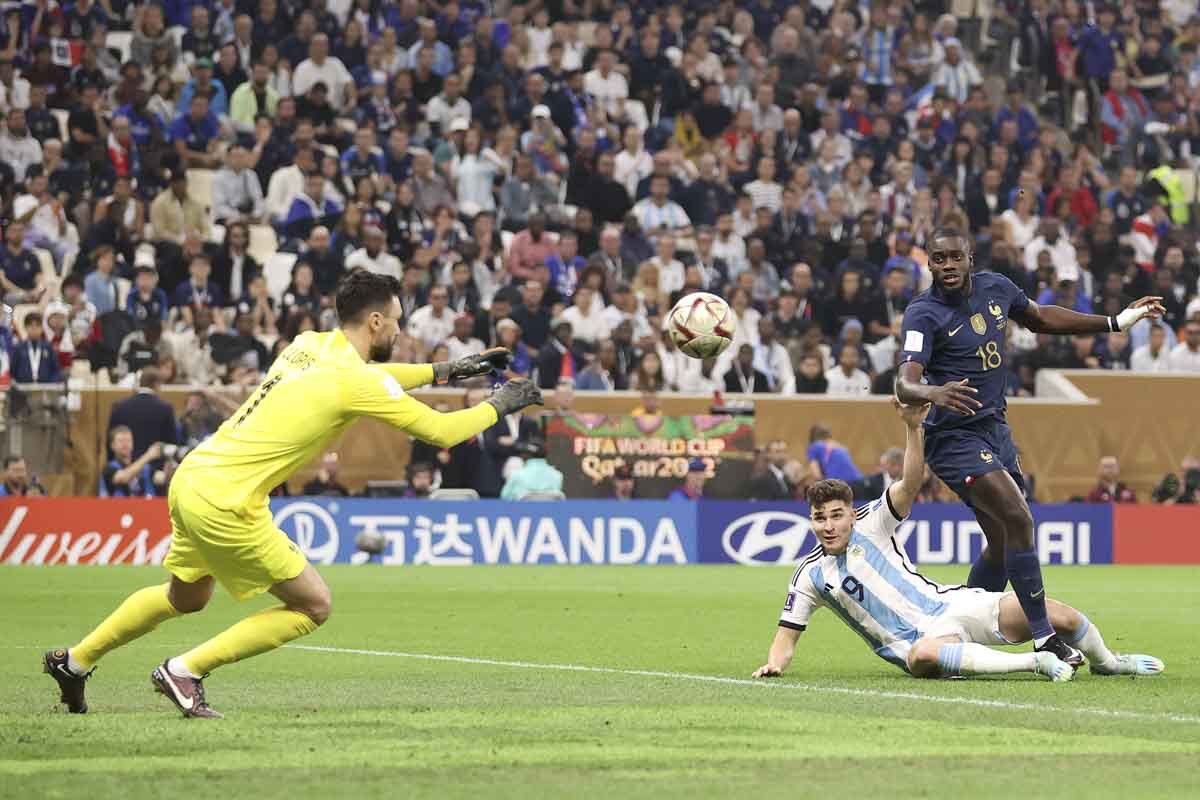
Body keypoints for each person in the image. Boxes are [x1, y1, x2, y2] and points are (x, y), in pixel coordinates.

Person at [45, 271, 542, 717]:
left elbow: (377, 376)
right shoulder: (355, 379)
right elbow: (441, 432)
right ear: (374, 321)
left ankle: (76, 660)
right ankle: (185, 670)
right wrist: (500, 404)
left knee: (186, 596)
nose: (399, 331)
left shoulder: (307, 344)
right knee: (313, 605)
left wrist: (450, 370)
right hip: (227, 501)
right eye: (396, 322)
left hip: (194, 475)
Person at [896, 226, 1164, 667]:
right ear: (928, 262)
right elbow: (904, 381)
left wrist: (1115, 321)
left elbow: (1040, 318)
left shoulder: (997, 288)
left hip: (996, 429)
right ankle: (1044, 638)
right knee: (1019, 516)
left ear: (970, 259)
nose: (947, 266)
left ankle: (958, 628)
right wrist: (932, 392)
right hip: (953, 438)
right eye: (938, 259)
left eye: (954, 258)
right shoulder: (922, 313)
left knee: (1002, 541)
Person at [751, 398, 1164, 683]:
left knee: (1061, 617)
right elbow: (786, 637)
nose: (828, 525)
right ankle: (1033, 662)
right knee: (921, 657)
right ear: (811, 521)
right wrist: (773, 665)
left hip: (953, 604)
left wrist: (914, 428)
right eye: (819, 518)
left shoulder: (872, 522)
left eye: (836, 515)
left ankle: (1108, 662)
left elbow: (910, 482)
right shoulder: (809, 576)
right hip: (919, 644)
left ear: (848, 513)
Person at [100, 426, 161, 498]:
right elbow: (123, 478)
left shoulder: (145, 467)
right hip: (119, 507)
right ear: (112, 445)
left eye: (128, 440)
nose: (125, 444)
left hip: (147, 507)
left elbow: (161, 478)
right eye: (121, 441)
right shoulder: (109, 468)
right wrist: (148, 456)